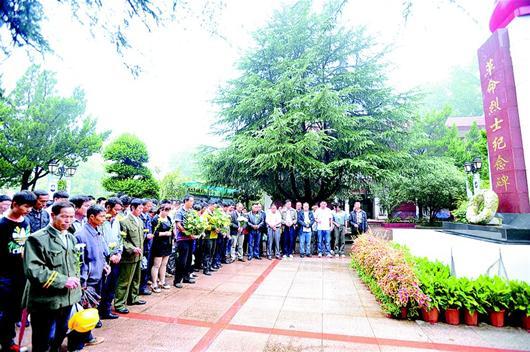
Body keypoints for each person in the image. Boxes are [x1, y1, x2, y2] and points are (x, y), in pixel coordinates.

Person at [23, 201, 82, 352]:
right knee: (43, 339)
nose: (68, 220)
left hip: (67, 298)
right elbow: (33, 270)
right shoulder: (37, 238)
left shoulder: (70, 238)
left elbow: (73, 265)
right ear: (53, 215)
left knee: (60, 333)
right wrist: (63, 280)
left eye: (71, 217)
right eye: (64, 217)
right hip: (46, 299)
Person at [0, 191, 36, 351]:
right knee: (3, 310)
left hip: (21, 274)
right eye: (26, 206)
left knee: (14, 310)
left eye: (30, 207)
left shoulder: (25, 222)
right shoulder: (2, 224)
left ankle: (8, 341)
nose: (28, 210)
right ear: (14, 204)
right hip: (3, 274)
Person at [70, 205, 108, 350]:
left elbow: (100, 253)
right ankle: (78, 342)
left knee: (90, 309)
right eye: (101, 216)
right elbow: (80, 261)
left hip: (98, 276)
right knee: (82, 311)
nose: (104, 219)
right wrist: (83, 280)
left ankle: (88, 336)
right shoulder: (81, 235)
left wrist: (104, 264)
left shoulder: (97, 231)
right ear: (91, 217)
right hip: (87, 280)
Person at [114, 198, 145, 314]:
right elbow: (123, 240)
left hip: (138, 255)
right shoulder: (124, 221)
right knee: (125, 281)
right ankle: (119, 303)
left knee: (136, 279)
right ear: (133, 208)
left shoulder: (140, 221)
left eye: (142, 208)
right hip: (129, 256)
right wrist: (132, 248)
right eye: (139, 208)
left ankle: (133, 297)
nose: (141, 210)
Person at [99, 197, 123, 320]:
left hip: (116, 257)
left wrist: (119, 253)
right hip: (105, 258)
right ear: (108, 208)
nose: (117, 212)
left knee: (113, 284)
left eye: (119, 210)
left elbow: (120, 238)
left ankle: (107, 309)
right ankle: (99, 311)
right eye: (116, 209)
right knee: (104, 286)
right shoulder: (102, 222)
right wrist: (110, 255)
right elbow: (100, 240)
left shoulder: (117, 221)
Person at [173, 196, 196, 288]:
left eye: (193, 201)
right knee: (182, 260)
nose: (192, 203)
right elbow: (178, 225)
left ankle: (186, 277)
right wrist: (187, 233)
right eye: (191, 201)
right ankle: (177, 280)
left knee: (189, 259)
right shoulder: (179, 212)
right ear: (186, 201)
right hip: (182, 239)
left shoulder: (191, 212)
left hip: (190, 239)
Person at [150, 204, 173, 291]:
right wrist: (164, 233)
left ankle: (162, 281)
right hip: (159, 244)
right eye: (165, 210)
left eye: (168, 210)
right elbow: (153, 233)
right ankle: (154, 283)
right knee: (156, 265)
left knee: (164, 264)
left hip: (167, 244)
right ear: (160, 209)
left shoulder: (169, 218)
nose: (167, 212)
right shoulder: (156, 219)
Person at [139, 199, 154, 296]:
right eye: (147, 206)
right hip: (141, 245)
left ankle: (143, 287)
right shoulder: (139, 217)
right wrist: (146, 235)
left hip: (148, 245)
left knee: (146, 267)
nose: (149, 208)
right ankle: (140, 288)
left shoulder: (148, 216)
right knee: (141, 268)